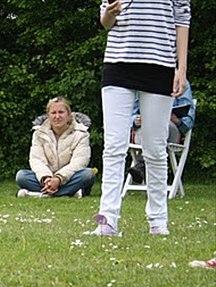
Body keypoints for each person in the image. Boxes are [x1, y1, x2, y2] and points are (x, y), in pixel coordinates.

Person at [91, 0, 191, 236]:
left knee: (155, 149)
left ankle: (158, 221)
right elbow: (106, 23)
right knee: (113, 147)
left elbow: (182, 20)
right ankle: (107, 221)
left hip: (160, 67)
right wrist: (110, 13)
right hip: (118, 65)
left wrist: (182, 69)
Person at [15, 96, 96, 198]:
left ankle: (41, 194)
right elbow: (37, 160)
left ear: (69, 115)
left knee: (88, 174)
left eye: (61, 112)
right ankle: (69, 192)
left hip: (69, 177)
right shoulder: (38, 134)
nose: (57, 116)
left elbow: (79, 161)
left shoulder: (81, 134)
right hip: (46, 178)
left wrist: (59, 178)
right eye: (53, 113)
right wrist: (46, 178)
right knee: (21, 176)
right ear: (48, 116)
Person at [128, 80, 196, 184]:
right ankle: (144, 167)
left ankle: (141, 165)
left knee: (162, 125)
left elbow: (188, 121)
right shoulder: (142, 80)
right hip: (144, 129)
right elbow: (129, 115)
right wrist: (136, 120)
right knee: (148, 126)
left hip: (171, 130)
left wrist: (176, 120)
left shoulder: (180, 81)